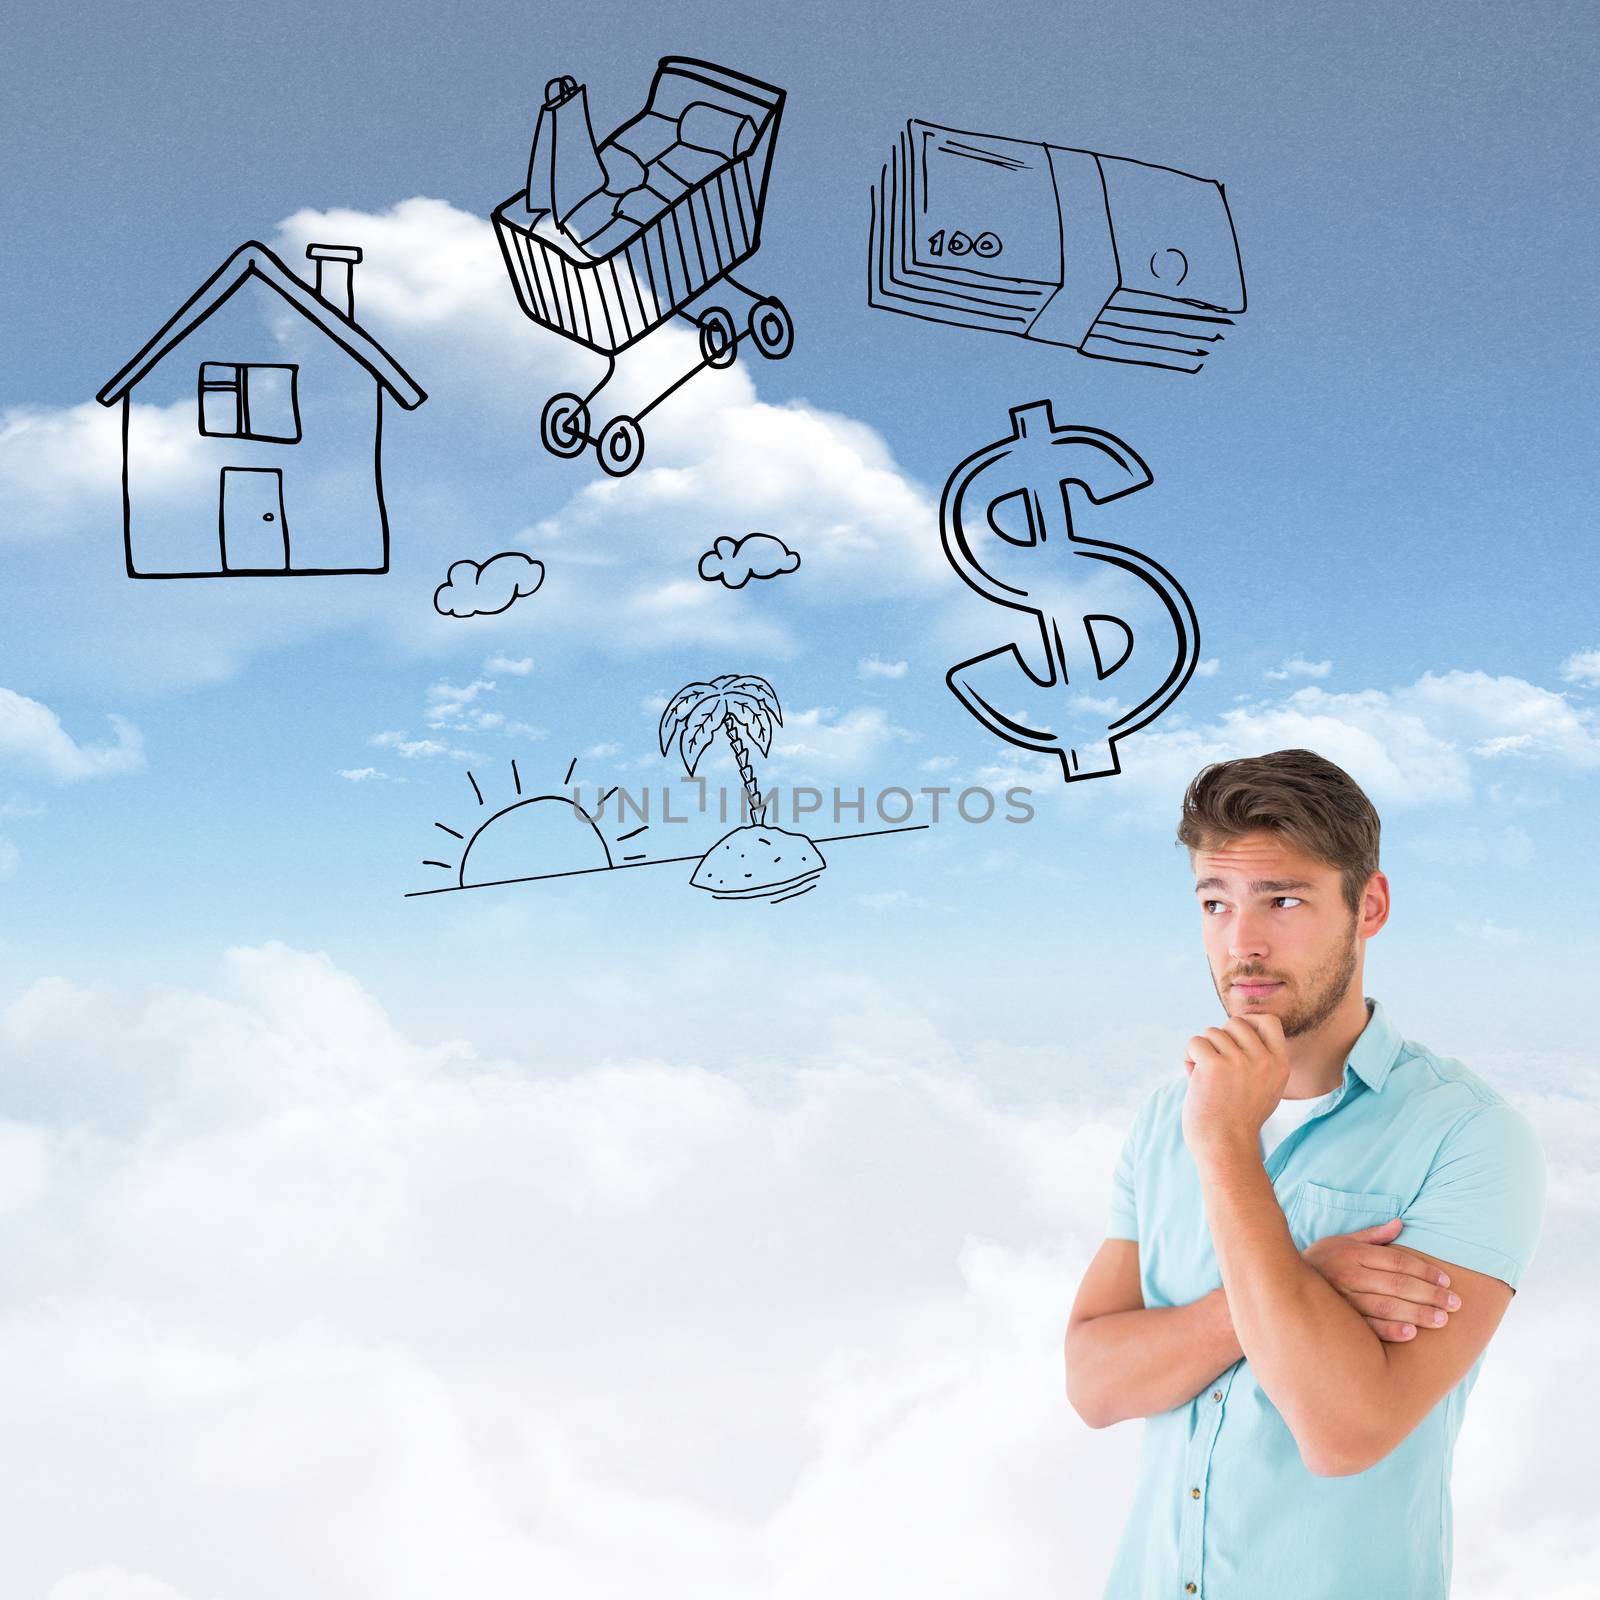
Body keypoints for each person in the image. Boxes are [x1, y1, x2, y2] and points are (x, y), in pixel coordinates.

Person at [1065, 748, 1547, 1599]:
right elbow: (1095, 1384)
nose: (1241, 943)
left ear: (1370, 906)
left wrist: (1224, 1147)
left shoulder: (1471, 1138)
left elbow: (1344, 1433)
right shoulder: (1162, 1119)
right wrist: (1304, 1283)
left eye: (1282, 900)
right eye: (1216, 903)